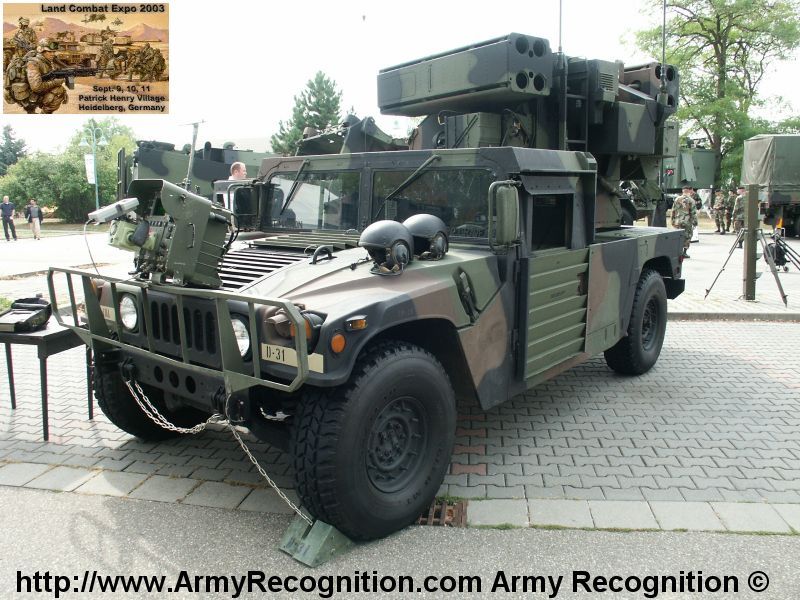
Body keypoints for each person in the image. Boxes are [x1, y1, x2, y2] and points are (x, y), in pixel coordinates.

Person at [25, 38, 68, 114]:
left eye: (54, 51)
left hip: (35, 92)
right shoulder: (34, 63)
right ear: (41, 51)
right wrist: (55, 82)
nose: (52, 54)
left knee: (60, 90)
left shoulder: (48, 61)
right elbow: (36, 87)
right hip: (28, 94)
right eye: (49, 51)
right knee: (59, 91)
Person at [671, 186, 697, 258]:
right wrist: (695, 223)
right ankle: (684, 252)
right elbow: (693, 213)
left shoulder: (677, 199)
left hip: (677, 221)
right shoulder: (691, 200)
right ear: (689, 191)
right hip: (687, 221)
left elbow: (673, 211)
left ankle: (677, 251)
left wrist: (672, 220)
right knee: (687, 236)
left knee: (678, 236)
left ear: (682, 191)